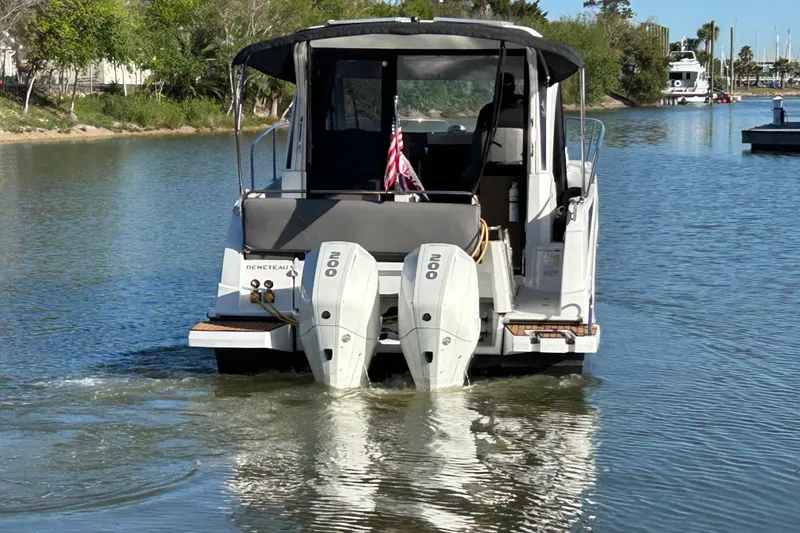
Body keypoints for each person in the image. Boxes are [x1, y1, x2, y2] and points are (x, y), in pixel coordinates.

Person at [462, 72, 525, 187]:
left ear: (496, 88)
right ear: (514, 88)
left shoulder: (487, 111)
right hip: (521, 171)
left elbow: (477, 143)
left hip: (487, 172)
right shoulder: (526, 110)